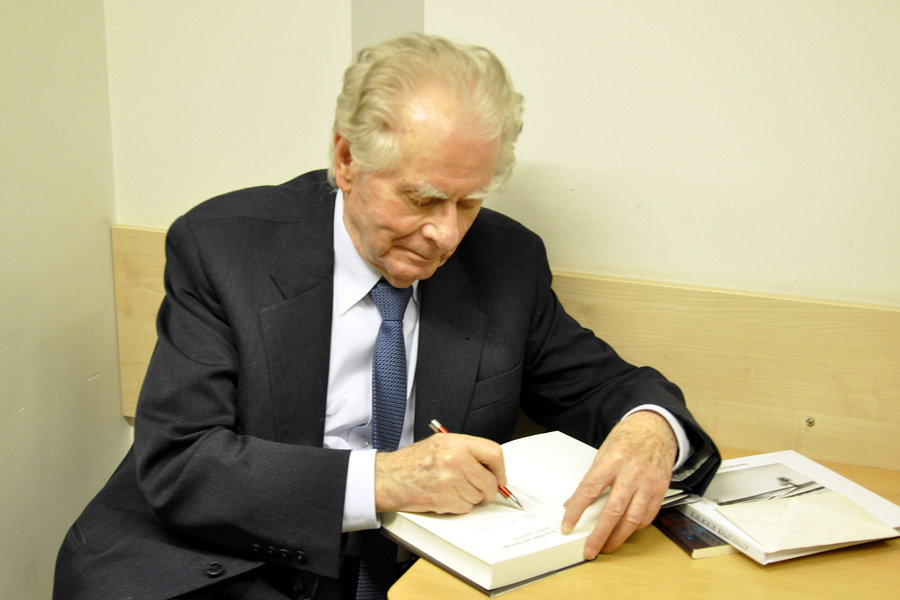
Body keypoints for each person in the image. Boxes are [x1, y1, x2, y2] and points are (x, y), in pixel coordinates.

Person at [53, 33, 720, 600]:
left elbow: (607, 386)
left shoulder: (507, 263)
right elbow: (182, 463)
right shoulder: (224, 249)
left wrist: (651, 429)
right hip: (221, 564)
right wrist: (385, 481)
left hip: (408, 572)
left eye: (469, 202)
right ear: (347, 160)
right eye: (422, 199)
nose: (446, 235)